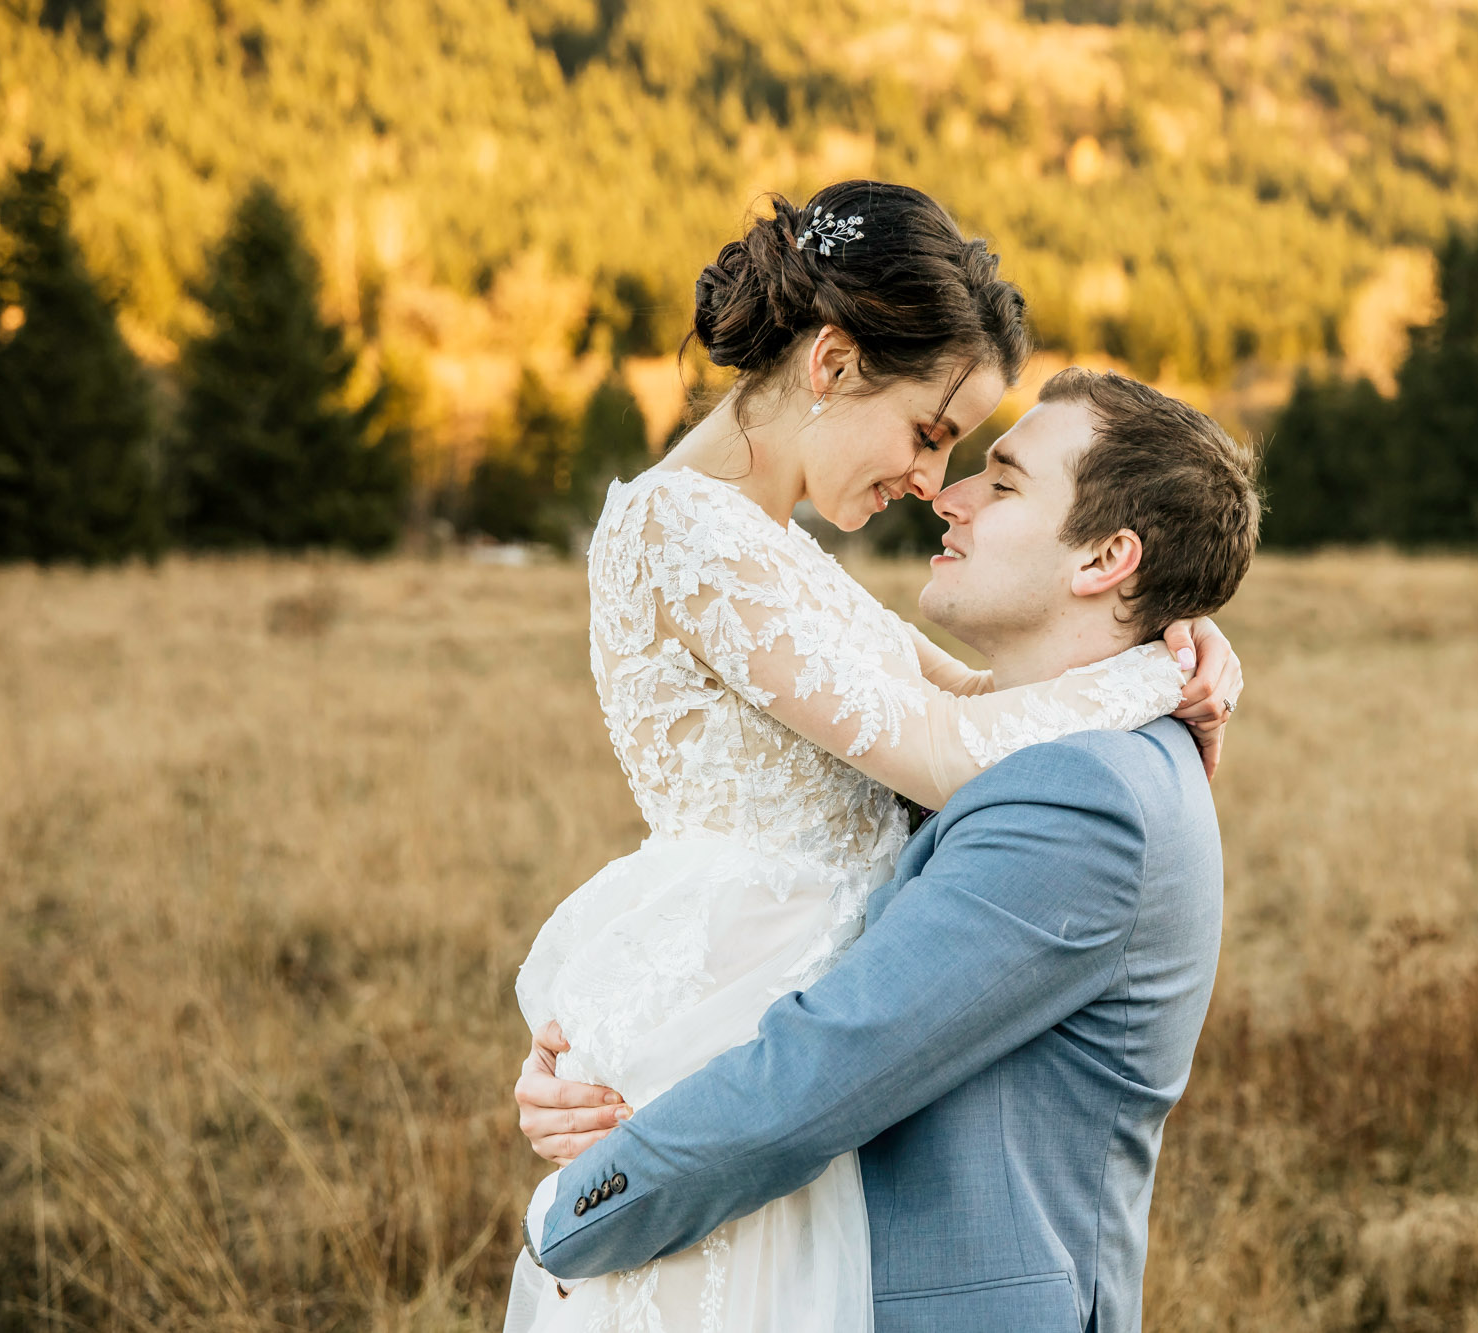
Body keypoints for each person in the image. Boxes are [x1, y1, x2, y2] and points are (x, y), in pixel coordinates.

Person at [501, 180, 1245, 1332]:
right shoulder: (685, 531)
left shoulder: (781, 555)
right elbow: (954, 746)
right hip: (733, 1052)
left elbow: (975, 699)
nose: (928, 481)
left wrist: (1172, 633)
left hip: (783, 1073)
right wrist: (1149, 670)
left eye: (966, 459)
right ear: (833, 365)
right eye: (930, 433)